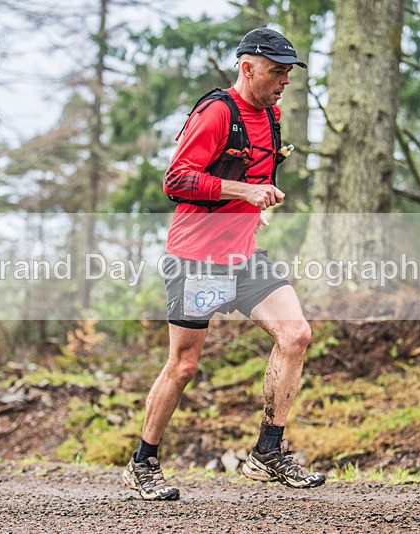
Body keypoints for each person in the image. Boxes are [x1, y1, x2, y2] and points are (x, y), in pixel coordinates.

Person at [122, 27, 325, 501]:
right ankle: (142, 463)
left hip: (243, 258)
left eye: (289, 73)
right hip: (198, 261)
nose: (285, 81)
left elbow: (255, 170)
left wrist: (254, 211)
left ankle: (268, 453)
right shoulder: (217, 112)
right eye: (276, 72)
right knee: (185, 365)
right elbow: (177, 180)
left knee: (295, 335)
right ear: (247, 67)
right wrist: (246, 192)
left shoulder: (272, 116)